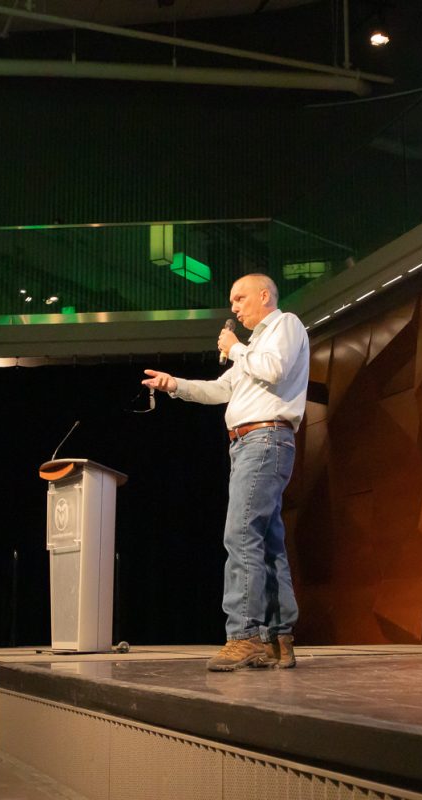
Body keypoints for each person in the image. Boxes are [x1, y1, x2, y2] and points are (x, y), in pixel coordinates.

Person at [142, 273, 309, 671]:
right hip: (249, 443)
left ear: (265, 295)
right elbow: (220, 390)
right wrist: (173, 385)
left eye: (240, 298)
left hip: (265, 439)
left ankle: (244, 634)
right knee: (267, 543)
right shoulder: (251, 349)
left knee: (240, 535)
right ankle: (278, 637)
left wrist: (234, 348)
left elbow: (275, 369)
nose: (233, 307)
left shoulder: (285, 325)